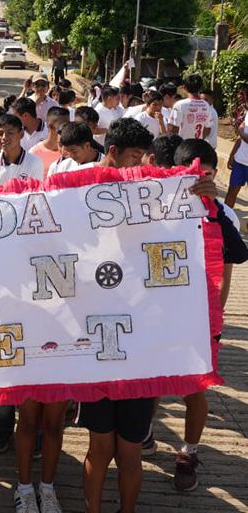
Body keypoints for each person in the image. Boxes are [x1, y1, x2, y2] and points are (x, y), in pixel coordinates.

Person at [78, 118, 155, 513]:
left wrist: (204, 199)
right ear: (113, 153)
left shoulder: (152, 193)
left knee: (130, 451)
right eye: (134, 156)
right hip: (97, 347)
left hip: (141, 349)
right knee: (100, 446)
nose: (140, 164)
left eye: (143, 157)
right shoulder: (77, 190)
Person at [168, 139, 248, 492]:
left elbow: (237, 257)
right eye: (193, 176)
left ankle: (189, 452)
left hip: (200, 315)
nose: (201, 182)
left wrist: (215, 321)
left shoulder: (224, 212)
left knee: (195, 388)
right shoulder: (158, 203)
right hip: (159, 313)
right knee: (153, 380)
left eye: (208, 176)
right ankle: (144, 436)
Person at [0, 114, 43, 187]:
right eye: (0, 133)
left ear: (21, 134)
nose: (4, 137)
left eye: (10, 133)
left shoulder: (34, 162)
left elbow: (36, 191)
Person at [168, 74, 214, 142]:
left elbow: (173, 129)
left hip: (183, 145)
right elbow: (208, 129)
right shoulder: (206, 105)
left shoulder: (179, 105)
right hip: (197, 145)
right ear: (200, 87)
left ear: (185, 88)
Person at [29, 107, 69, 178]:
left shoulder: (71, 151)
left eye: (68, 124)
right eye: (63, 125)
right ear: (51, 126)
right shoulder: (33, 153)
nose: (67, 128)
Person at [226, 119, 248, 208]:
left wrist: (240, 130)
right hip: (240, 162)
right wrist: (232, 155)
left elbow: (243, 134)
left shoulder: (241, 129)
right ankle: (226, 214)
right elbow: (240, 139)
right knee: (231, 192)